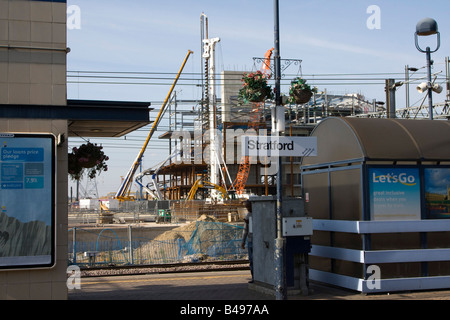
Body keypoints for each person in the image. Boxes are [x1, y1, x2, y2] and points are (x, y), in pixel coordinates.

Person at [241, 200, 253, 283]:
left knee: (254, 260)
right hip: (250, 240)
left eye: (248, 207)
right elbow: (245, 230)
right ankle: (254, 277)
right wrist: (243, 241)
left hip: (255, 240)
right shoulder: (248, 215)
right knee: (251, 261)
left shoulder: (256, 214)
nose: (247, 209)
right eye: (246, 207)